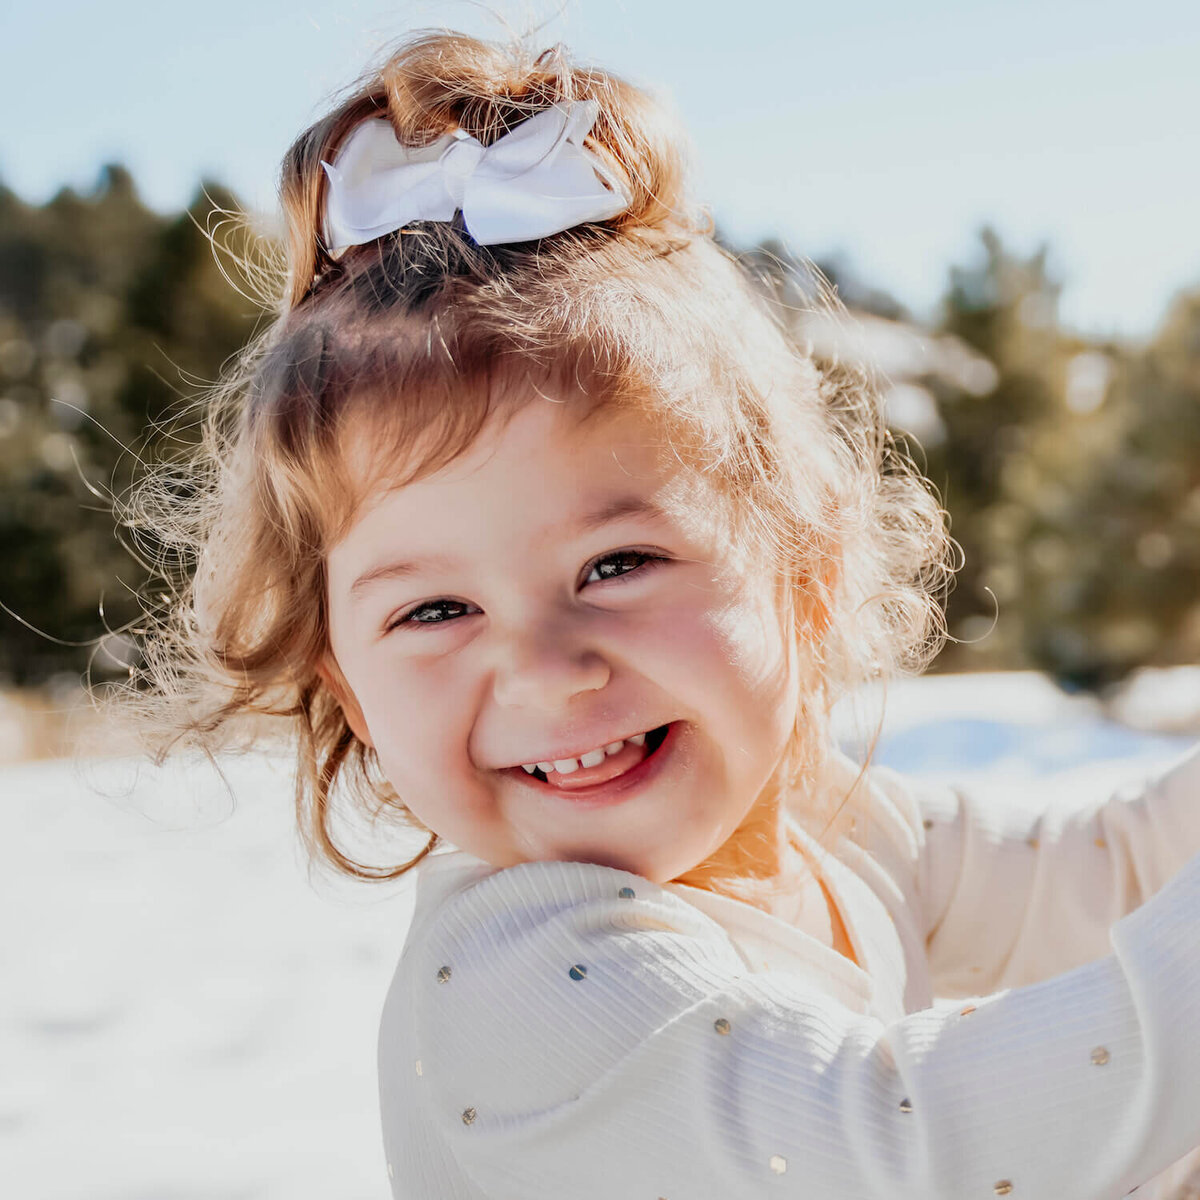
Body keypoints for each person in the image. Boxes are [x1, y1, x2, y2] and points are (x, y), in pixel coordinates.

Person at [125, 29, 1200, 1200]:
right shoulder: (523, 989)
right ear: (349, 690)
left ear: (805, 572)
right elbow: (907, 1143)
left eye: (616, 563)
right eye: (435, 608)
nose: (543, 671)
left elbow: (1114, 871)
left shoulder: (833, 831)